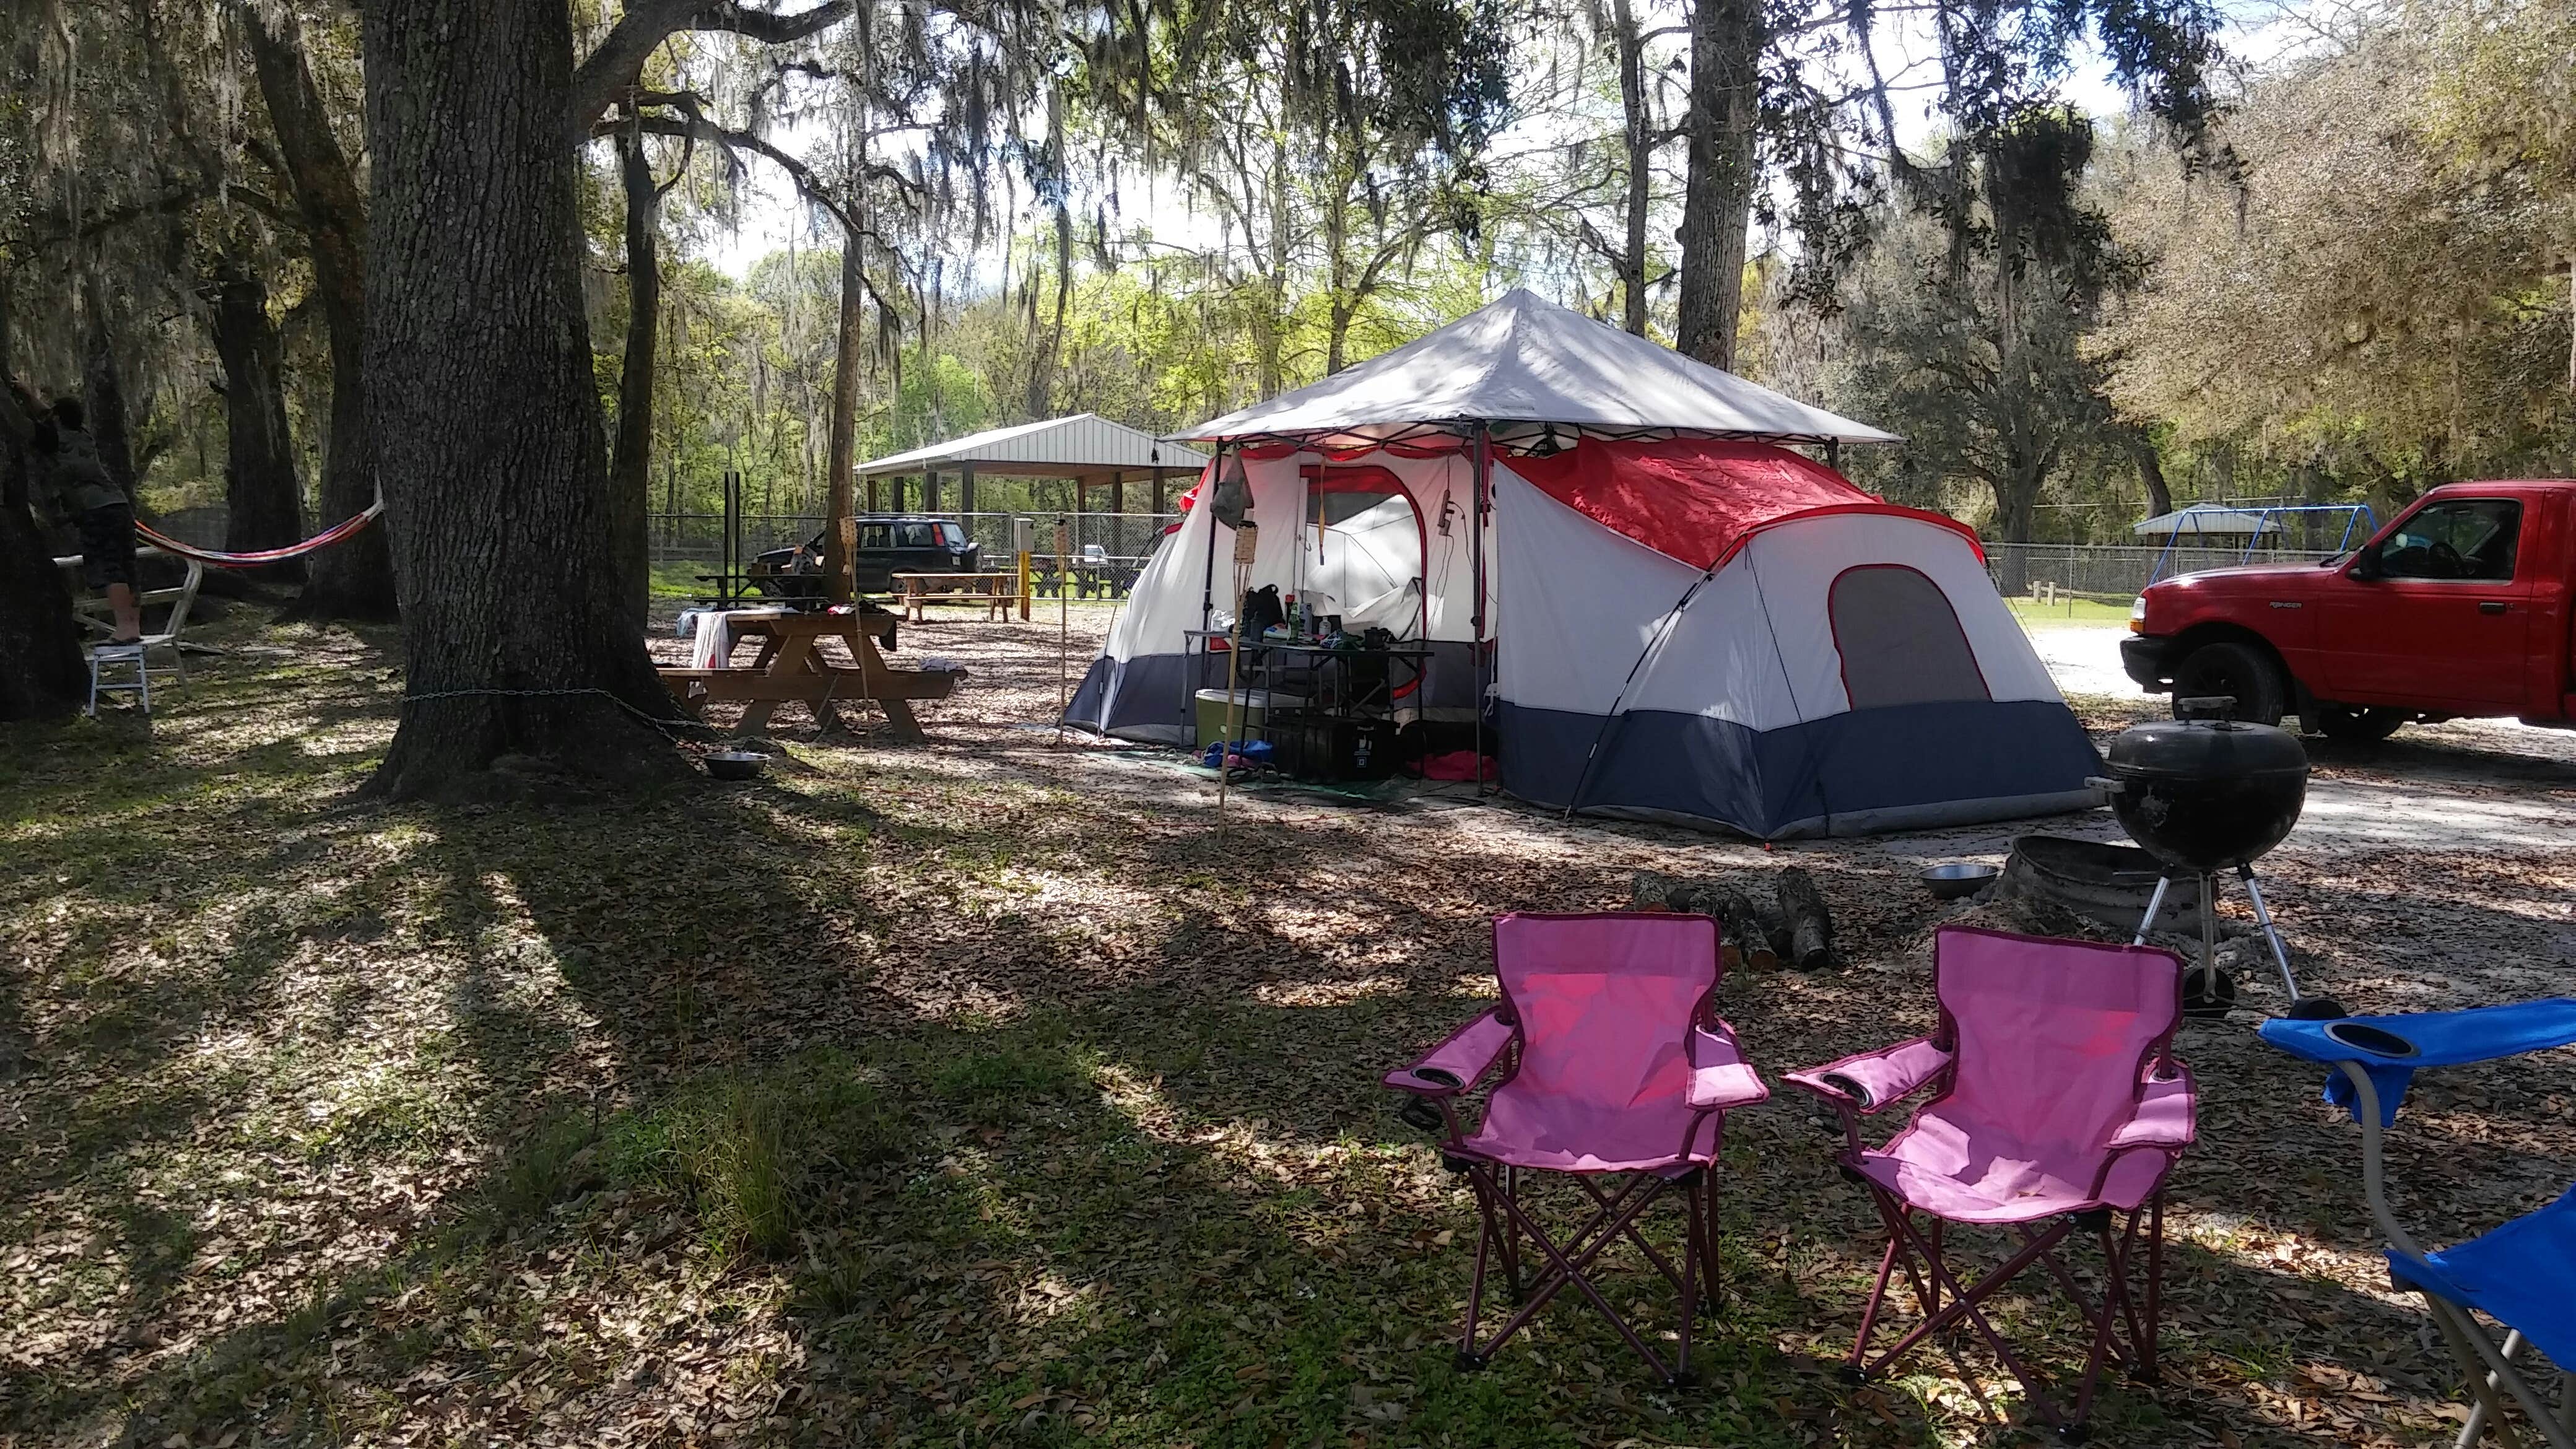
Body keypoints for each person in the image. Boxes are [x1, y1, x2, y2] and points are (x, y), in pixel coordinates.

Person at [28, 397, 143, 644]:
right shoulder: (83, 436)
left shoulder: (53, 440)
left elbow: (26, 426)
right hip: (119, 505)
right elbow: (47, 412)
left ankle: (124, 627)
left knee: (109, 566)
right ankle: (133, 626)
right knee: (127, 565)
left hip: (95, 510)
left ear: (57, 418)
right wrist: (26, 392)